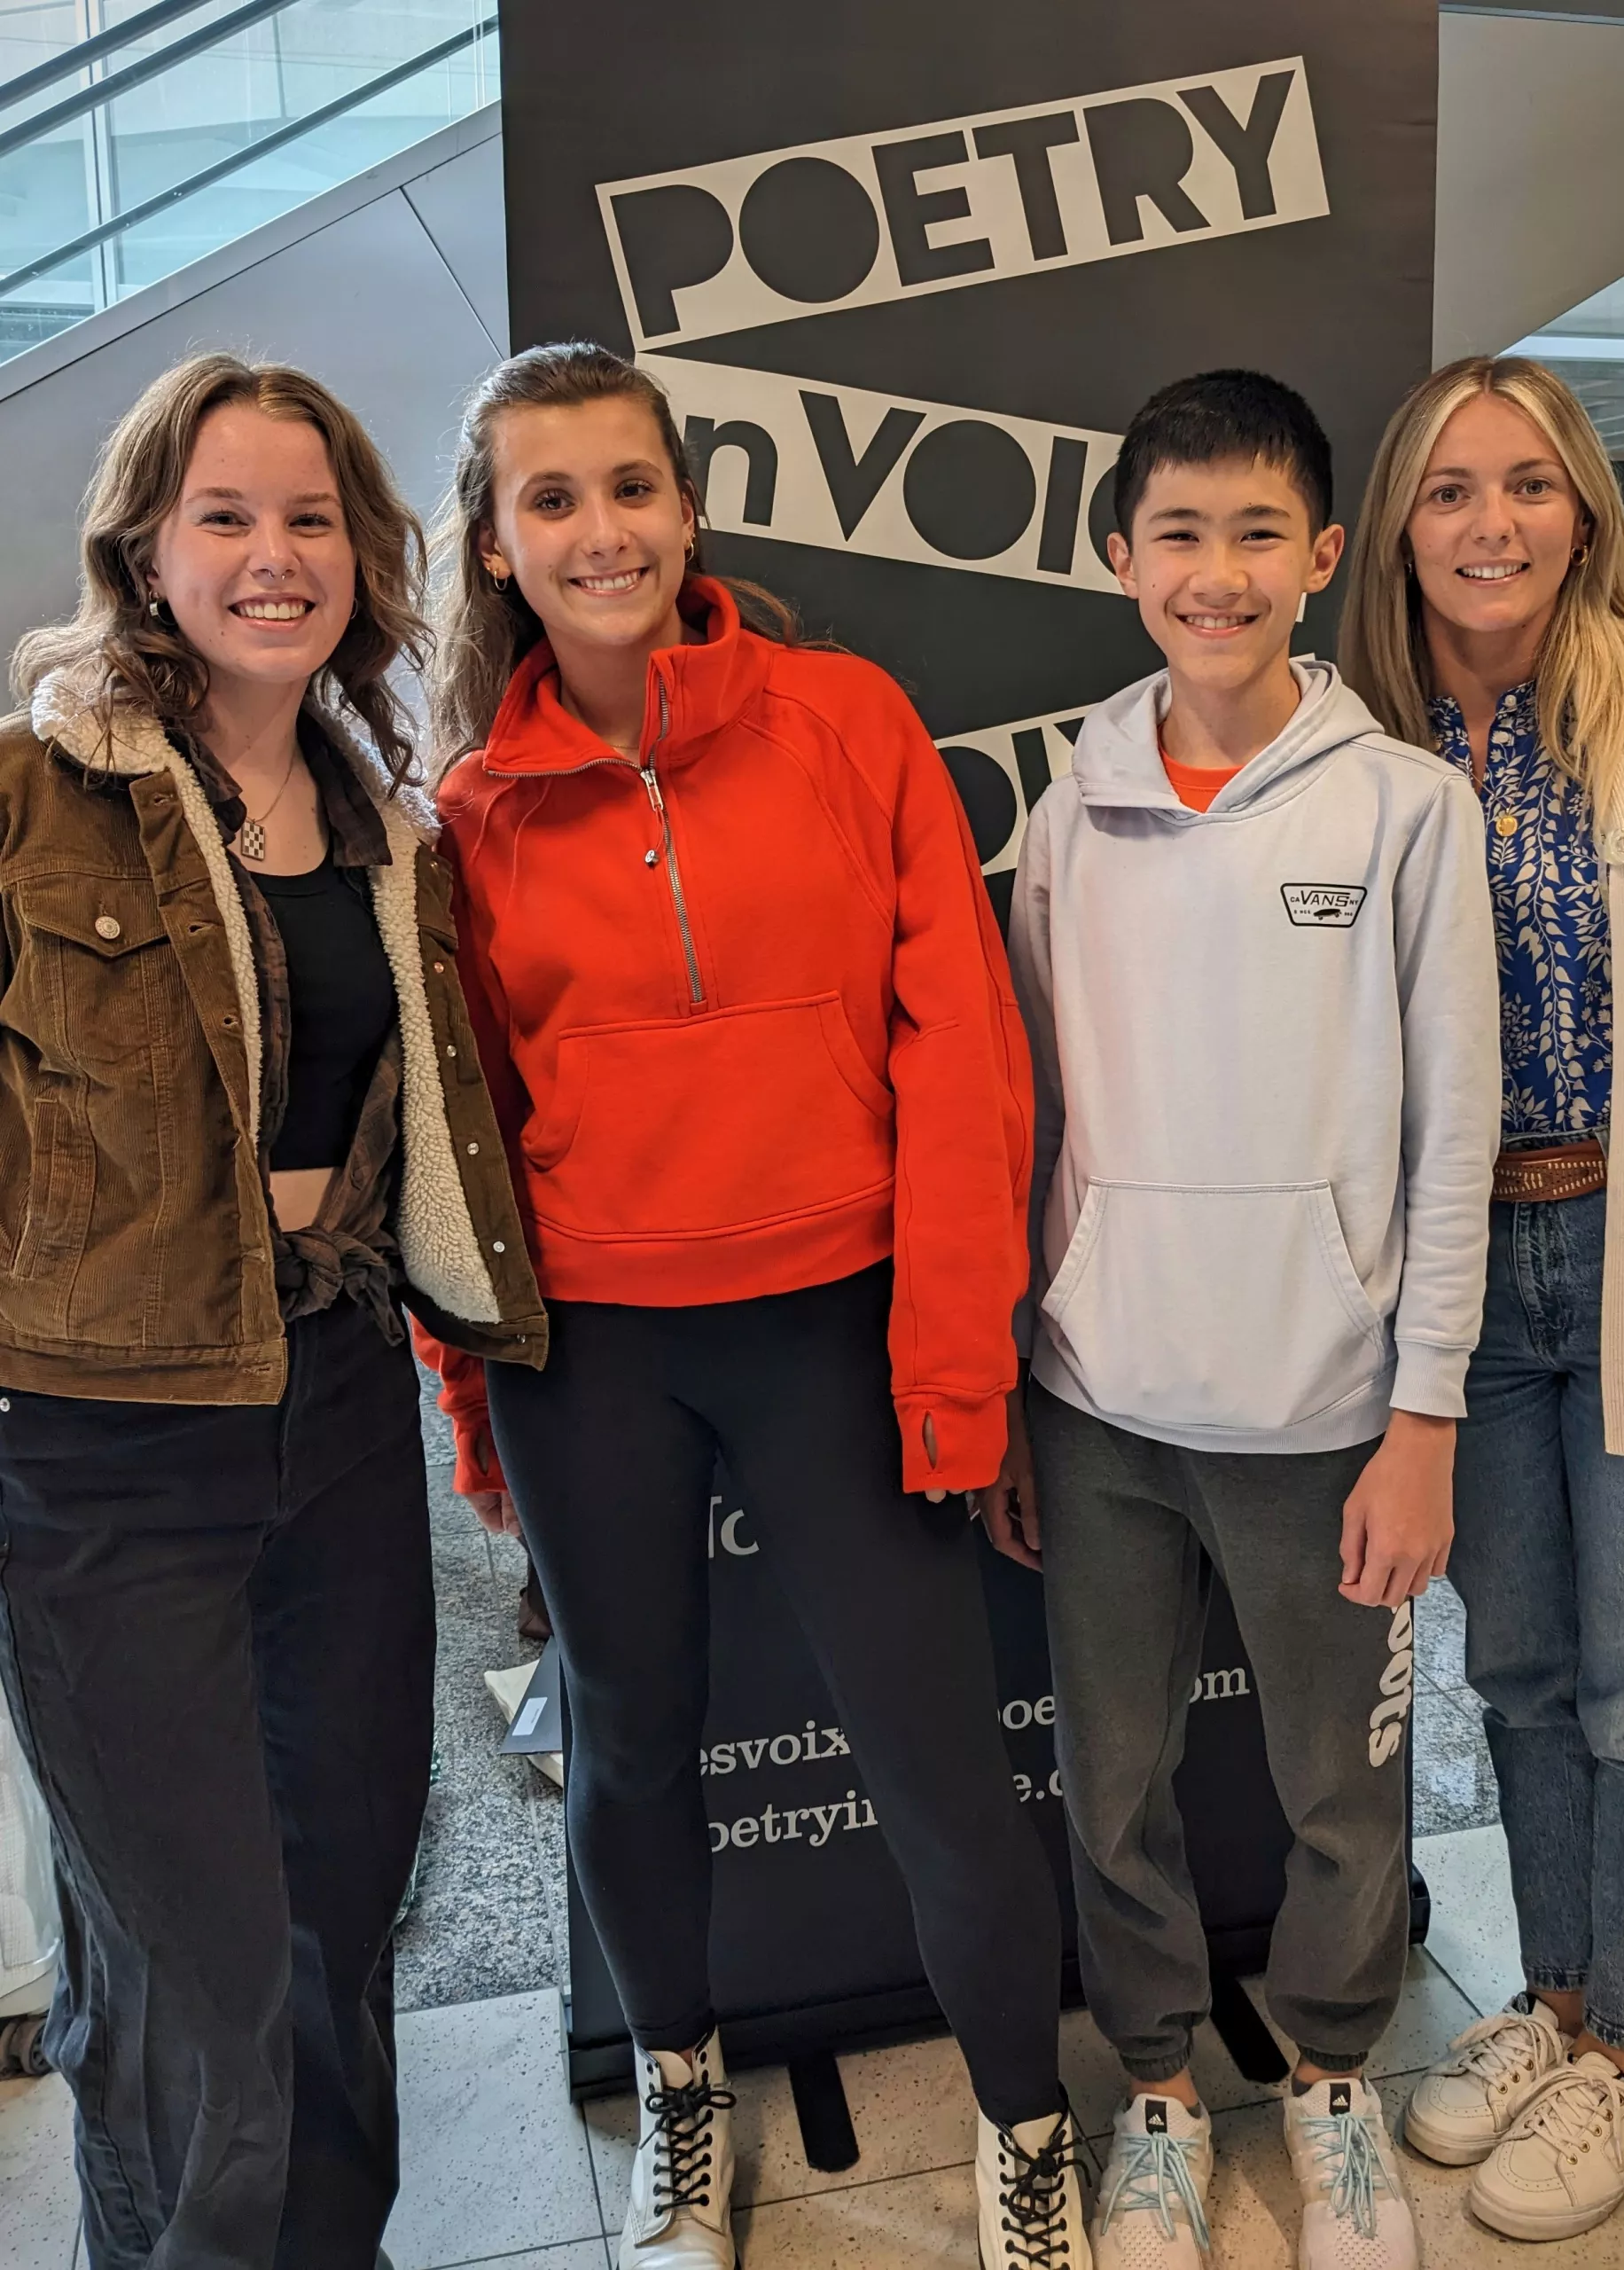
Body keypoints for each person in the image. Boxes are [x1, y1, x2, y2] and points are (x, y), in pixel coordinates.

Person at [414, 338, 1089, 2270]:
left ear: (687, 506)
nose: (600, 528)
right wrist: (478, 1411)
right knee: (629, 1741)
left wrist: (959, 1361)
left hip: (837, 1326)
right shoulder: (468, 808)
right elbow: (459, 1154)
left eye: (631, 484)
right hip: (596, 1353)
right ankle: (681, 2100)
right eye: (552, 498)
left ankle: (1022, 2125)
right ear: (497, 548)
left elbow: (966, 1055)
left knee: (940, 1752)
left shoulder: (847, 717)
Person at [0, 353, 546, 2270]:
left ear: (363, 555)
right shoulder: (32, 794)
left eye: (309, 516)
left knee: (343, 1893)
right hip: (101, 1440)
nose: (271, 553)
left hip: (329, 1408)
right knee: (188, 1955)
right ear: (147, 549)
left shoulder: (378, 813)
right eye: (225, 515)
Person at [993, 370, 1503, 2270]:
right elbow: (1035, 1114)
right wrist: (1020, 1374)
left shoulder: (1405, 809)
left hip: (1330, 1411)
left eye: (1256, 533)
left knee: (1340, 1788)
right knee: (1111, 1785)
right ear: (1121, 555)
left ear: (1322, 554)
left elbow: (1453, 1128)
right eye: (1178, 534)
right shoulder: (1071, 805)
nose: (1217, 574)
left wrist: (1426, 1410)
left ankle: (1334, 2073)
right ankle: (1149, 2089)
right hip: (1101, 1403)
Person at [1343, 355, 1624, 2243]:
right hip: (1461, 1280)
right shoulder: (1355, 747)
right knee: (1525, 1672)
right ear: (1397, 524)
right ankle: (1554, 1995)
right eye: (1454, 489)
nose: (1496, 524)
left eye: (1533, 484)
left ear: (1586, 508)